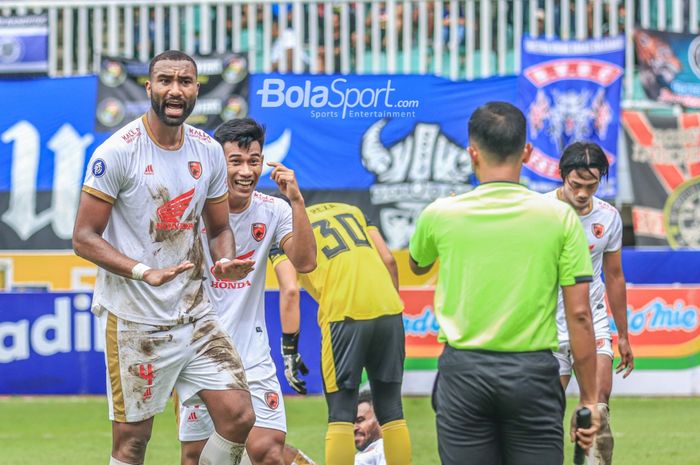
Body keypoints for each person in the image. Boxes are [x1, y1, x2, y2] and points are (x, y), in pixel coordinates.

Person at [73, 50, 256, 465]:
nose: (176, 90)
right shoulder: (118, 152)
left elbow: (220, 228)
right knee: (133, 445)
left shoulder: (208, 150)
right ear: (149, 87)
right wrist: (143, 271)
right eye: (166, 81)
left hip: (195, 315)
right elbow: (84, 238)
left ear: (196, 89)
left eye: (185, 82)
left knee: (240, 416)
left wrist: (225, 259)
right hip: (136, 321)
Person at [408, 101, 599, 465]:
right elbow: (579, 315)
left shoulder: (440, 213)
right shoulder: (560, 218)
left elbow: (418, 265)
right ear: (526, 151)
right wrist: (589, 399)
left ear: (471, 154)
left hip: (464, 374)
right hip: (533, 375)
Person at [178, 118, 317, 465]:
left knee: (268, 450)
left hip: (252, 353)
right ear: (216, 163)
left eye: (253, 160)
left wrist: (297, 201)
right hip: (199, 352)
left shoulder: (274, 210)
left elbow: (306, 262)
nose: (246, 171)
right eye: (235, 161)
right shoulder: (191, 210)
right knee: (195, 456)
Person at [269, 202, 412, 465]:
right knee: (392, 410)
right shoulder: (353, 210)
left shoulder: (281, 227)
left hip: (344, 315)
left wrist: (289, 350)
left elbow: (290, 291)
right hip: (389, 309)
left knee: (341, 414)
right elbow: (389, 261)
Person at [548, 142, 634, 465]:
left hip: (593, 320)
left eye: (591, 185)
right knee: (547, 414)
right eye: (576, 185)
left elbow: (614, 276)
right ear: (562, 177)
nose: (583, 193)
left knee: (598, 407)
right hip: (547, 325)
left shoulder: (609, 217)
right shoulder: (540, 212)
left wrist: (623, 334)